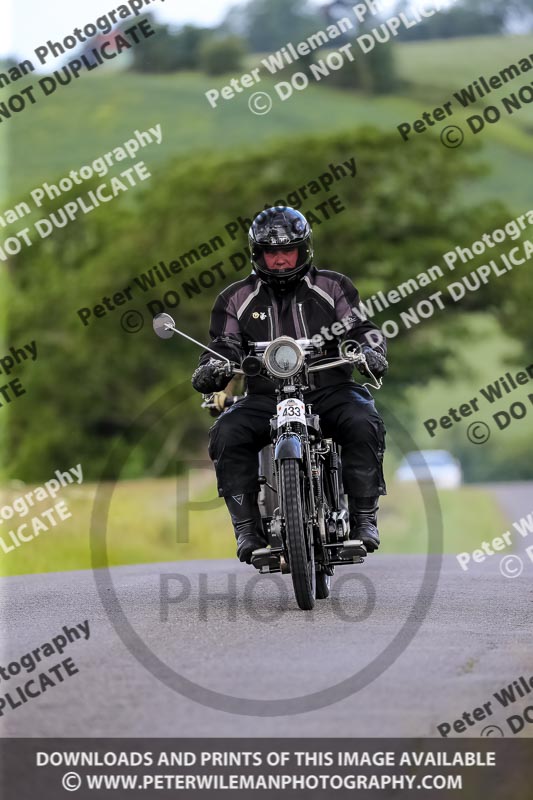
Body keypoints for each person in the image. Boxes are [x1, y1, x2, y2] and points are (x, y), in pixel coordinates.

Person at [191, 207, 388, 564]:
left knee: (364, 419)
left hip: (330, 390)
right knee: (226, 430)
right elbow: (223, 343)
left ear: (304, 249)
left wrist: (371, 351)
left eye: (288, 251)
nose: (280, 260)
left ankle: (364, 518)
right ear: (257, 254)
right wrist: (211, 367)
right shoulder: (235, 298)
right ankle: (247, 528)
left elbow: (362, 328)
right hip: (265, 396)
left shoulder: (334, 287)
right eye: (271, 252)